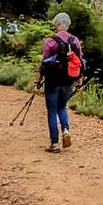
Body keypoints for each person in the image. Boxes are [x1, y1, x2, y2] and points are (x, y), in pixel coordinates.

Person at [35, 12, 84, 153]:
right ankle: (66, 130)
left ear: (57, 24)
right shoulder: (75, 41)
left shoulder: (50, 41)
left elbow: (43, 63)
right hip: (68, 80)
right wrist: (80, 81)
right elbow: (79, 62)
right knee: (62, 107)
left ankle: (55, 143)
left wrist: (37, 82)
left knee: (52, 110)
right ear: (68, 25)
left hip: (52, 81)